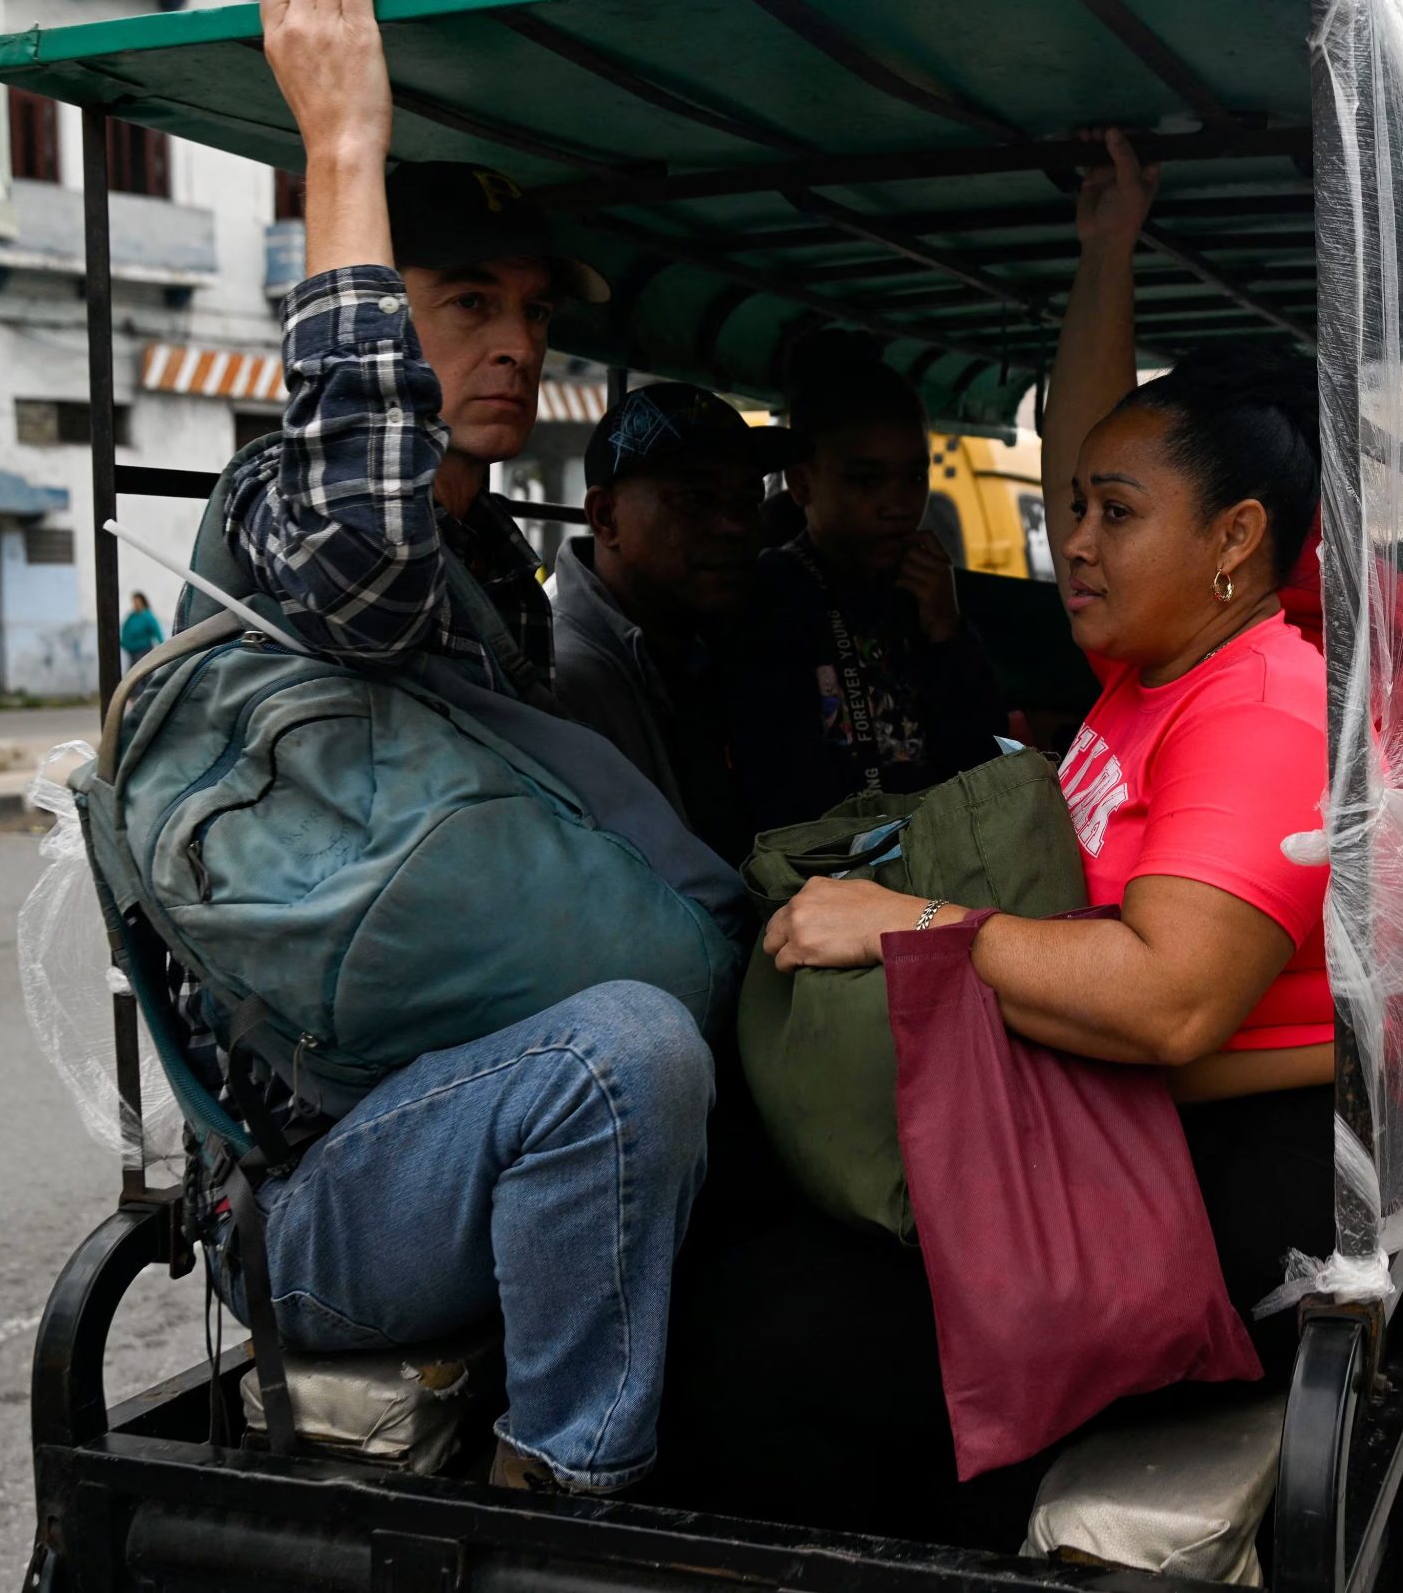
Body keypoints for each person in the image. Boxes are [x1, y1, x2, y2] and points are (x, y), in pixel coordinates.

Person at [662, 130, 1332, 1540]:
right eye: (1070, 505)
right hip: (1082, 1134)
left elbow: (1168, 997)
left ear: (1235, 540)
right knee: (728, 1223)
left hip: (1190, 1192)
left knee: (760, 1342)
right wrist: (1107, 250)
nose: (1072, 539)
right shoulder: (1153, 675)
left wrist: (907, 925)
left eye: (1113, 514)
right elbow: (1101, 423)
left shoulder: (1262, 697)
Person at [217, 0, 715, 1497]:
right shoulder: (294, 515)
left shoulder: (488, 553)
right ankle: (556, 1498)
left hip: (468, 1096)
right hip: (329, 1183)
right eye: (468, 305)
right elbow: (366, 556)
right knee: (623, 1052)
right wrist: (343, 155)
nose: (517, 343)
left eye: (531, 313)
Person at [730, 338, 1007, 833]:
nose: (897, 504)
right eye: (865, 480)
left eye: (914, 477)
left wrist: (946, 634)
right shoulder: (771, 596)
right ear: (802, 484)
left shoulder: (926, 597)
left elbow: (987, 763)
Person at [553, 382, 765, 867]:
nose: (734, 526)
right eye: (695, 499)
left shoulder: (709, 643)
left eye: (748, 502)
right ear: (605, 518)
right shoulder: (563, 683)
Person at [119, 591, 163, 669]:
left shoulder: (147, 616)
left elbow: (157, 631)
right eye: (134, 602)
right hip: (132, 651)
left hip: (143, 651)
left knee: (144, 674)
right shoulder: (131, 616)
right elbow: (126, 630)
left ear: (142, 602)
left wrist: (163, 646)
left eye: (137, 602)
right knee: (132, 675)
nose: (135, 604)